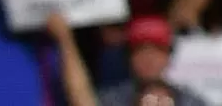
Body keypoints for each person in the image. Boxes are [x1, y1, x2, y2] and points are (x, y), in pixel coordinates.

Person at [49, 13, 208, 106]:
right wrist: (65, 39)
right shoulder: (112, 99)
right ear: (127, 57)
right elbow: (81, 98)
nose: (149, 59)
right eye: (140, 51)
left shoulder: (191, 101)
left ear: (169, 56)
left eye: (157, 50)